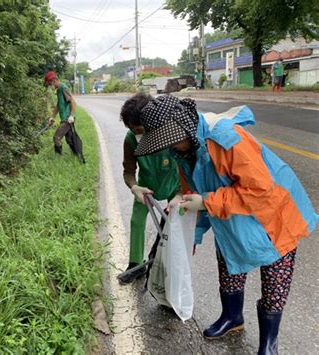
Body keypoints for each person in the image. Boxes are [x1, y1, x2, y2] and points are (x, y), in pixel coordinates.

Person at [120, 93, 317, 355]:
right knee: (229, 265)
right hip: (230, 213)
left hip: (274, 214)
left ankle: (269, 342)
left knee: (274, 279)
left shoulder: (225, 138)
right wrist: (190, 230)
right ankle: (232, 317)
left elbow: (260, 191)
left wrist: (206, 201)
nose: (168, 148)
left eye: (170, 142)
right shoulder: (182, 148)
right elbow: (191, 189)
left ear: (182, 127)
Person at [119, 104, 181, 283]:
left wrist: (179, 194)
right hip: (146, 188)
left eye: (140, 129)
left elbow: (187, 164)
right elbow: (129, 171)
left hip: (173, 185)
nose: (137, 134)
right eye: (132, 129)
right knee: (136, 221)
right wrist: (134, 187)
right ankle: (135, 264)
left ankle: (166, 262)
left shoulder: (169, 133)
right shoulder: (130, 140)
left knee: (173, 225)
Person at [44, 70, 76, 155]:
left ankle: (58, 157)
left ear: (54, 80)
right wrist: (52, 117)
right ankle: (77, 154)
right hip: (64, 119)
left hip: (67, 119)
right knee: (69, 140)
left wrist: (72, 116)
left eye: (50, 83)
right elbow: (58, 104)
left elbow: (73, 102)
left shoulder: (63, 88)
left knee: (56, 137)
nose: (50, 86)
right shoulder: (58, 90)